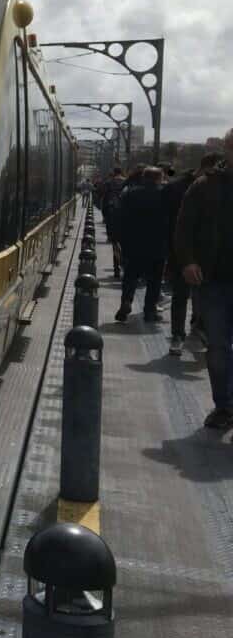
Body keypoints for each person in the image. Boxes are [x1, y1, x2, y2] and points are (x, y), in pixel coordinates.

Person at [175, 128, 233, 430]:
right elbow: (184, 228)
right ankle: (224, 406)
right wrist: (187, 261)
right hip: (215, 281)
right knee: (219, 347)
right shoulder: (204, 187)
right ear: (227, 151)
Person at [164, 153, 221, 354]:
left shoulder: (220, 187)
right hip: (182, 253)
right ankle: (178, 335)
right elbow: (172, 223)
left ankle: (198, 330)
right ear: (207, 168)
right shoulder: (177, 187)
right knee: (181, 295)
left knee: (204, 297)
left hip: (211, 258)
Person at [114, 166, 169, 324]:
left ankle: (126, 301)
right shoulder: (165, 194)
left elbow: (120, 216)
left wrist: (119, 239)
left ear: (143, 178)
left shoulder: (130, 193)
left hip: (133, 244)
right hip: (157, 245)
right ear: (159, 178)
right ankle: (149, 311)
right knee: (154, 281)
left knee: (130, 276)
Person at [101, 167, 127, 278]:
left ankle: (116, 268)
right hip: (125, 218)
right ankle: (125, 266)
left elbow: (105, 200)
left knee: (115, 244)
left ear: (113, 173)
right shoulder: (127, 182)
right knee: (125, 245)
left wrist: (105, 216)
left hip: (113, 217)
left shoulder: (109, 183)